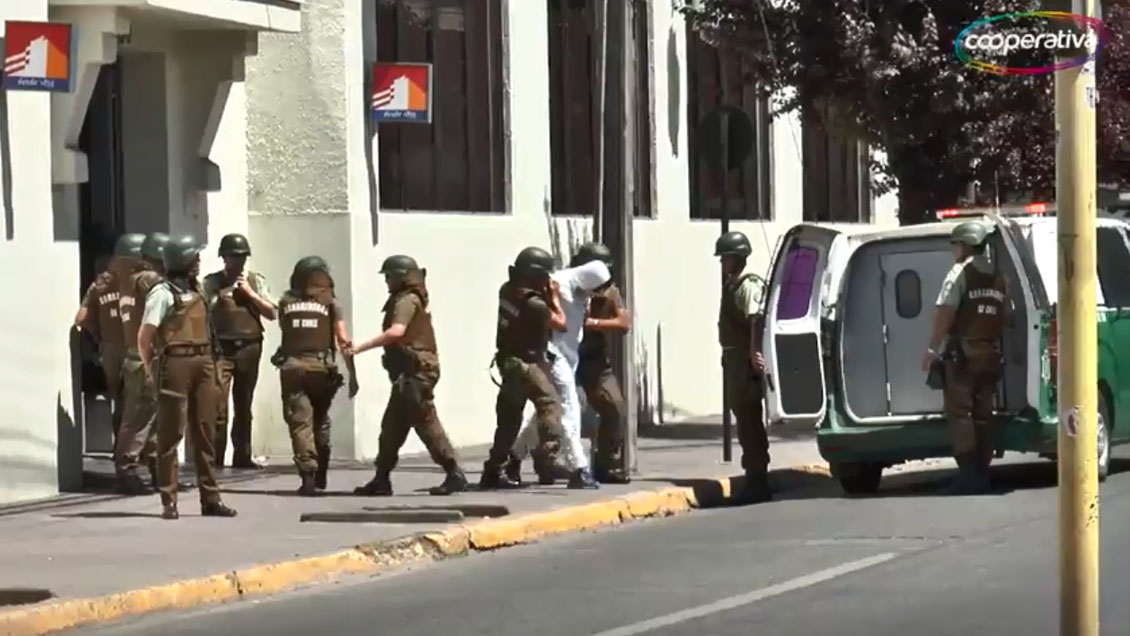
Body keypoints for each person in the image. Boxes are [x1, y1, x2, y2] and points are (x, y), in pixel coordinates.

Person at [351, 255, 467, 497]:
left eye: (389, 276)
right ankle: (381, 478)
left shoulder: (407, 300)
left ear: (402, 277)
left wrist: (360, 347)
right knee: (392, 427)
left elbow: (397, 332)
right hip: (407, 374)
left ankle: (454, 471)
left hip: (416, 374)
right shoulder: (403, 299)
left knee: (425, 422)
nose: (386, 281)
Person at [138, 234, 236, 520]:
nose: (198, 261)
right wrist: (149, 365)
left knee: (206, 432)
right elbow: (146, 334)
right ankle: (169, 500)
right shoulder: (162, 292)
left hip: (204, 361)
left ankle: (211, 499)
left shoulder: (199, 291)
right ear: (181, 259)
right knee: (171, 434)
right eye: (194, 256)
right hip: (176, 362)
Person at [508, 256, 611, 489]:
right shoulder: (558, 284)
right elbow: (558, 322)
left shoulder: (582, 292)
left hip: (568, 357)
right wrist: (554, 298)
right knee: (569, 409)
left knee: (546, 414)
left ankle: (513, 459)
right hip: (553, 355)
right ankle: (578, 468)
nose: (599, 293)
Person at [921, 220, 1008, 496]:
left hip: (963, 356)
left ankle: (969, 475)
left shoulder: (959, 273)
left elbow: (945, 312)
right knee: (983, 415)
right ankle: (982, 472)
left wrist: (933, 347)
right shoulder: (998, 276)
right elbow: (1006, 315)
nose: (954, 251)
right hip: (990, 355)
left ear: (966, 245)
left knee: (960, 414)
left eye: (956, 245)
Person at [480, 247, 567, 490]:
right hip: (525, 364)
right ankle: (547, 460)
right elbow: (561, 323)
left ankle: (493, 470)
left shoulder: (507, 290)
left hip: (508, 362)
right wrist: (555, 299)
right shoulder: (535, 303)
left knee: (508, 420)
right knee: (550, 404)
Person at [273, 256, 353, 496]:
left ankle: (307, 477)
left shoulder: (285, 303)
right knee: (320, 421)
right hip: (322, 370)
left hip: (293, 369)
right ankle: (321, 475)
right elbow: (343, 340)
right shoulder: (331, 303)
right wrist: (353, 375)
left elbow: (286, 332)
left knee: (300, 423)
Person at [202, 233, 276, 469]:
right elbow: (202, 309)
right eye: (234, 256)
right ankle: (215, 457)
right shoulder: (212, 282)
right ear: (224, 257)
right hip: (221, 348)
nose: (239, 261)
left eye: (242, 256)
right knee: (218, 406)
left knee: (244, 405)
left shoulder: (256, 281)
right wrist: (221, 295)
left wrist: (250, 294)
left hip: (249, 346)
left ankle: (242, 455)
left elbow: (271, 312)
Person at [715, 231, 772, 504]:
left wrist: (754, 351)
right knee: (744, 417)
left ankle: (757, 478)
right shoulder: (733, 285)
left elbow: (756, 318)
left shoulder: (748, 285)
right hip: (734, 360)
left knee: (749, 420)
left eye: (725, 258)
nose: (722, 263)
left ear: (737, 259)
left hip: (743, 360)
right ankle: (754, 475)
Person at [74, 233, 145, 452]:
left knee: (120, 404)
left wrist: (99, 339)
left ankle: (120, 451)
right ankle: (133, 456)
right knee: (141, 406)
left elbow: (82, 319)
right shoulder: (141, 282)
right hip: (135, 350)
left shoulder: (101, 282)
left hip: (110, 350)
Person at [114, 233, 173, 494]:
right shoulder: (149, 280)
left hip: (135, 357)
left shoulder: (127, 282)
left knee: (151, 419)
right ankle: (128, 470)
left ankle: (156, 472)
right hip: (147, 358)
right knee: (141, 419)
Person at [573, 242, 632, 484]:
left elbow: (623, 323)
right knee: (553, 413)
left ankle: (606, 464)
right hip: (565, 357)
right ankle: (536, 461)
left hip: (593, 359)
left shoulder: (609, 292)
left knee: (615, 407)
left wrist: (592, 324)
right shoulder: (567, 286)